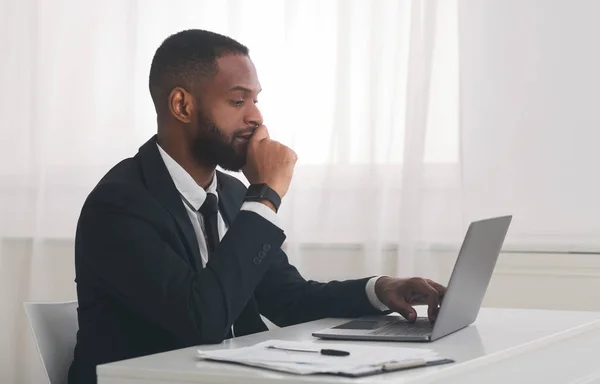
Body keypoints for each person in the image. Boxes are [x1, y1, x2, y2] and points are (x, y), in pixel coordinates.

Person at [67, 29, 446, 384]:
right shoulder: (119, 205)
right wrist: (265, 195)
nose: (256, 117)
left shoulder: (231, 194)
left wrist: (381, 290)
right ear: (182, 105)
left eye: (255, 99)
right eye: (237, 101)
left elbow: (288, 298)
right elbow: (202, 320)